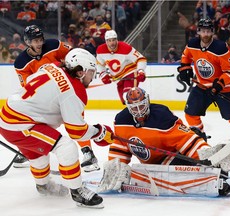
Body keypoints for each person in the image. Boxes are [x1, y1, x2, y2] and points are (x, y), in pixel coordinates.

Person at [0, 48, 114, 208]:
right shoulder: (74, 90)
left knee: (37, 155)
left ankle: (43, 186)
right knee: (66, 147)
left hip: (9, 115)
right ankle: (77, 191)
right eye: (91, 72)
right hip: (20, 124)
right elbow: (77, 131)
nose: (92, 76)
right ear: (80, 72)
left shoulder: (53, 66)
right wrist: (99, 132)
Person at [98, 87, 230, 196]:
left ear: (147, 101)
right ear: (128, 107)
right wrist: (115, 167)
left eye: (141, 106)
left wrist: (205, 155)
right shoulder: (122, 121)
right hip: (152, 167)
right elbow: (121, 147)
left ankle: (215, 175)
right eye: (134, 108)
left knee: (185, 168)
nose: (139, 111)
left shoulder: (162, 117)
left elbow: (186, 139)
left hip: (172, 155)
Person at [13, 25, 99, 172]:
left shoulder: (53, 45)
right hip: (48, 97)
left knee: (75, 123)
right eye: (35, 41)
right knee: (35, 123)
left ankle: (88, 153)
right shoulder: (21, 62)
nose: (39, 43)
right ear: (28, 42)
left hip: (68, 90)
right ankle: (29, 149)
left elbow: (73, 56)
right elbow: (28, 85)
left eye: (40, 39)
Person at [177, 18, 230, 135]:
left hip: (223, 89)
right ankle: (200, 138)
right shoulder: (192, 44)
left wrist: (220, 84)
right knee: (190, 114)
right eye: (203, 31)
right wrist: (185, 68)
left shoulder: (220, 48)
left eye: (208, 31)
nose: (206, 34)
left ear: (212, 32)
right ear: (198, 31)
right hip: (202, 86)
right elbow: (186, 56)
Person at [96, 30, 147, 104]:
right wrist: (103, 75)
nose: (112, 43)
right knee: (124, 101)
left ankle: (140, 113)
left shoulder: (125, 47)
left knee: (128, 97)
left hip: (130, 74)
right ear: (106, 41)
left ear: (117, 40)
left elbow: (141, 59)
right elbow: (99, 64)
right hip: (118, 79)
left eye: (113, 40)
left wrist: (141, 71)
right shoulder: (100, 50)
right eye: (109, 41)